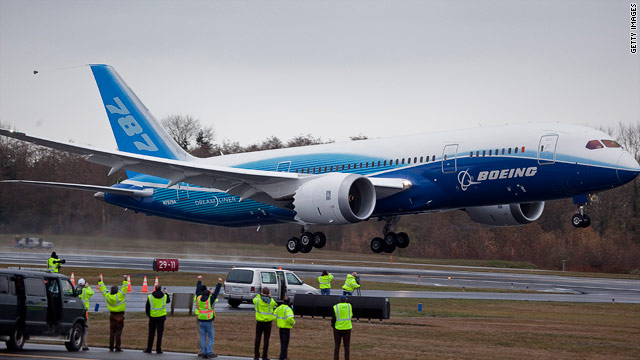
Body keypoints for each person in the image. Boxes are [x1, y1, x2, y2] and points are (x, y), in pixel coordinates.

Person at [98, 275, 128, 352]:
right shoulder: (120, 295)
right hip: (120, 316)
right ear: (117, 291)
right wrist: (125, 279)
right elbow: (124, 288)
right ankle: (117, 347)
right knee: (118, 332)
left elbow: (103, 289)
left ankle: (111, 347)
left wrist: (100, 281)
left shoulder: (108, 296)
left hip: (112, 315)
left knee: (112, 332)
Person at [195, 278, 222, 359]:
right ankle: (209, 352)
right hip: (208, 320)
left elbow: (198, 291)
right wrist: (219, 283)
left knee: (202, 336)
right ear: (209, 294)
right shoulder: (210, 300)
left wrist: (199, 281)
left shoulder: (198, 299)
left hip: (201, 320)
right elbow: (216, 293)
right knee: (210, 337)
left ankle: (203, 352)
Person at [144, 284, 171, 354]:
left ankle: (149, 348)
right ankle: (158, 349)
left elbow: (147, 308)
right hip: (161, 317)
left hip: (152, 317)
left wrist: (149, 315)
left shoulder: (150, 297)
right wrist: (166, 293)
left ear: (155, 289)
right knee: (160, 334)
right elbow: (168, 301)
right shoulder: (164, 296)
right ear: (161, 289)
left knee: (151, 333)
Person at [253, 287, 277, 360]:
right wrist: (270, 297)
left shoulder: (257, 300)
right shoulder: (271, 302)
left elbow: (254, 299)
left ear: (262, 293)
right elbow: (274, 304)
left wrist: (260, 295)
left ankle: (256, 355)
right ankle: (264, 356)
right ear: (268, 293)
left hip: (259, 322)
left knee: (257, 339)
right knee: (266, 340)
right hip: (268, 323)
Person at [332, 295, 353, 360]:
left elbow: (333, 318)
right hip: (347, 328)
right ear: (346, 300)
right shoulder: (349, 306)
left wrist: (333, 326)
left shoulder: (336, 307)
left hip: (337, 329)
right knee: (347, 346)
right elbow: (351, 315)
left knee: (337, 346)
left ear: (339, 300)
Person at [77, 278, 94, 351]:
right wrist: (87, 286)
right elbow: (92, 292)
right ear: (84, 284)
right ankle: (84, 344)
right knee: (85, 328)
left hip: (77, 310)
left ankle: (77, 341)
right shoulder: (86, 290)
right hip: (84, 311)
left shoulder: (76, 290)